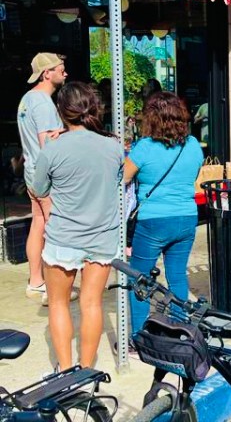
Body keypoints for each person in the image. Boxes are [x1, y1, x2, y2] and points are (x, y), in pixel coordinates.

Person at [31, 82, 123, 370]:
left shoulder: (53, 149)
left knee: (59, 304)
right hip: (102, 237)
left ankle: (65, 369)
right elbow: (116, 181)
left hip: (63, 237)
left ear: (61, 112)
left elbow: (39, 189)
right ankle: (87, 369)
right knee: (92, 303)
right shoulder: (114, 146)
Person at [124, 92, 204, 341]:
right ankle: (179, 331)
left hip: (153, 221)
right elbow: (192, 176)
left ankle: (139, 337)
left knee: (140, 279)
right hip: (187, 217)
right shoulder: (192, 145)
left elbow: (122, 178)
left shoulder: (143, 148)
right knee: (177, 275)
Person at [18, 53, 77, 305]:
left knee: (38, 224)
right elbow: (47, 144)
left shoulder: (27, 99)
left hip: (32, 171)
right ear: (46, 73)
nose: (65, 73)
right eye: (60, 69)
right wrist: (72, 132)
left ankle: (36, 282)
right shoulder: (42, 103)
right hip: (46, 176)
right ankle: (54, 289)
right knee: (55, 230)